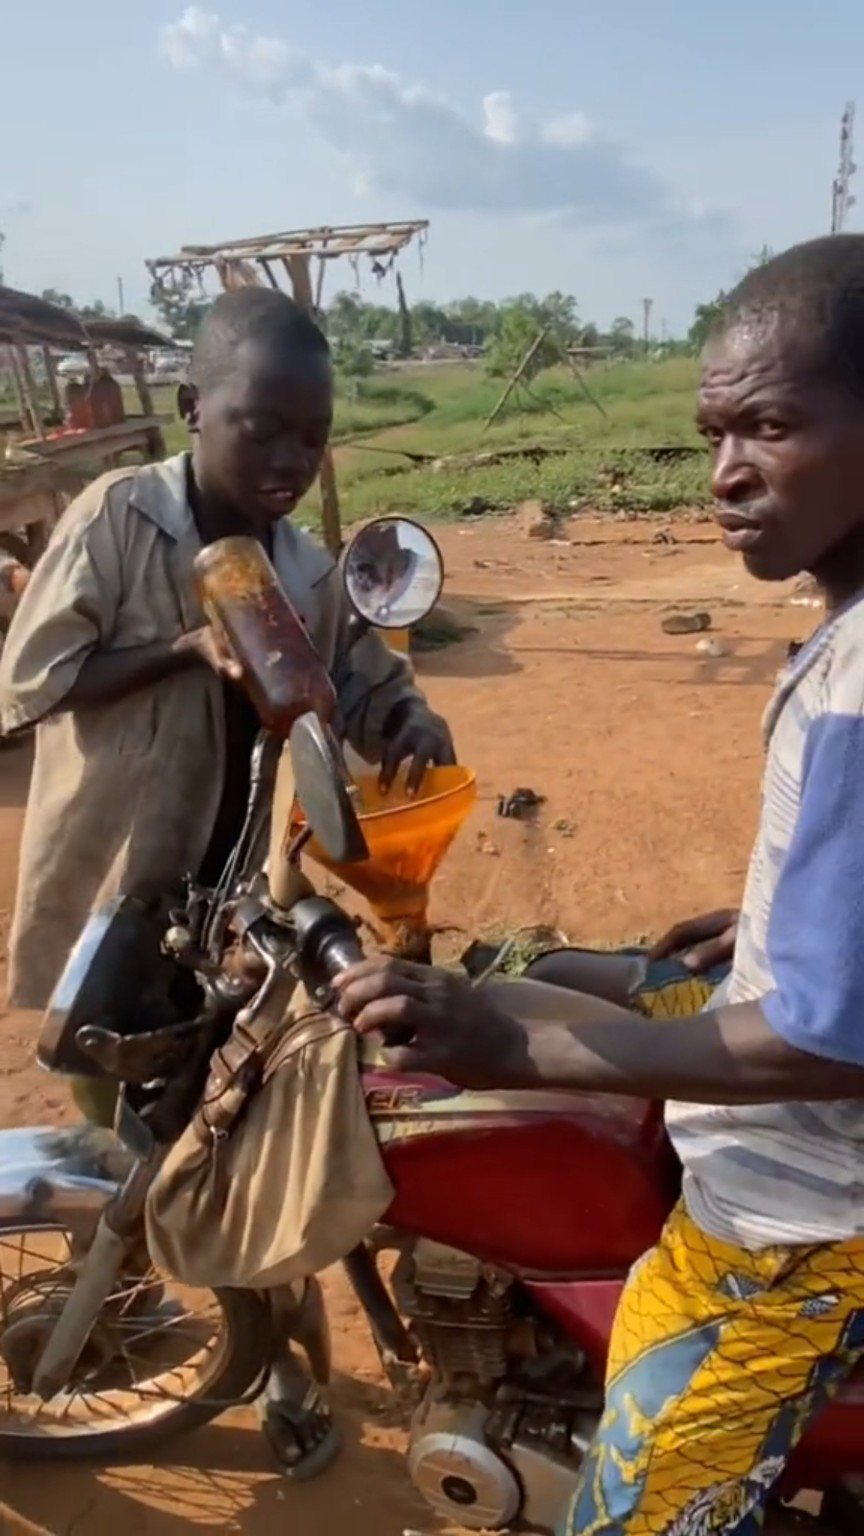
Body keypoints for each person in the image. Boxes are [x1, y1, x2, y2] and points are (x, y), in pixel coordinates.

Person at [335, 236, 864, 1534]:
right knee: (559, 968)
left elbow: (818, 1038)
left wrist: (527, 1046)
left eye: (771, 426)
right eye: (712, 432)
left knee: (629, 1512)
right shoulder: (844, 634)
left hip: (797, 1214)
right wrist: (789, 916)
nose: (727, 471)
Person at [0, 285, 454, 1479]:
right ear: (196, 409)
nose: (292, 460)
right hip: (117, 903)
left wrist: (408, 716)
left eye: (313, 436)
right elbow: (28, 679)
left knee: (245, 1143)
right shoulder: (115, 517)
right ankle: (136, 1297)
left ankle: (286, 1365)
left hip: (239, 907)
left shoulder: (302, 562)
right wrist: (186, 651)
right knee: (129, 1131)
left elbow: (355, 687)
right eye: (264, 427)